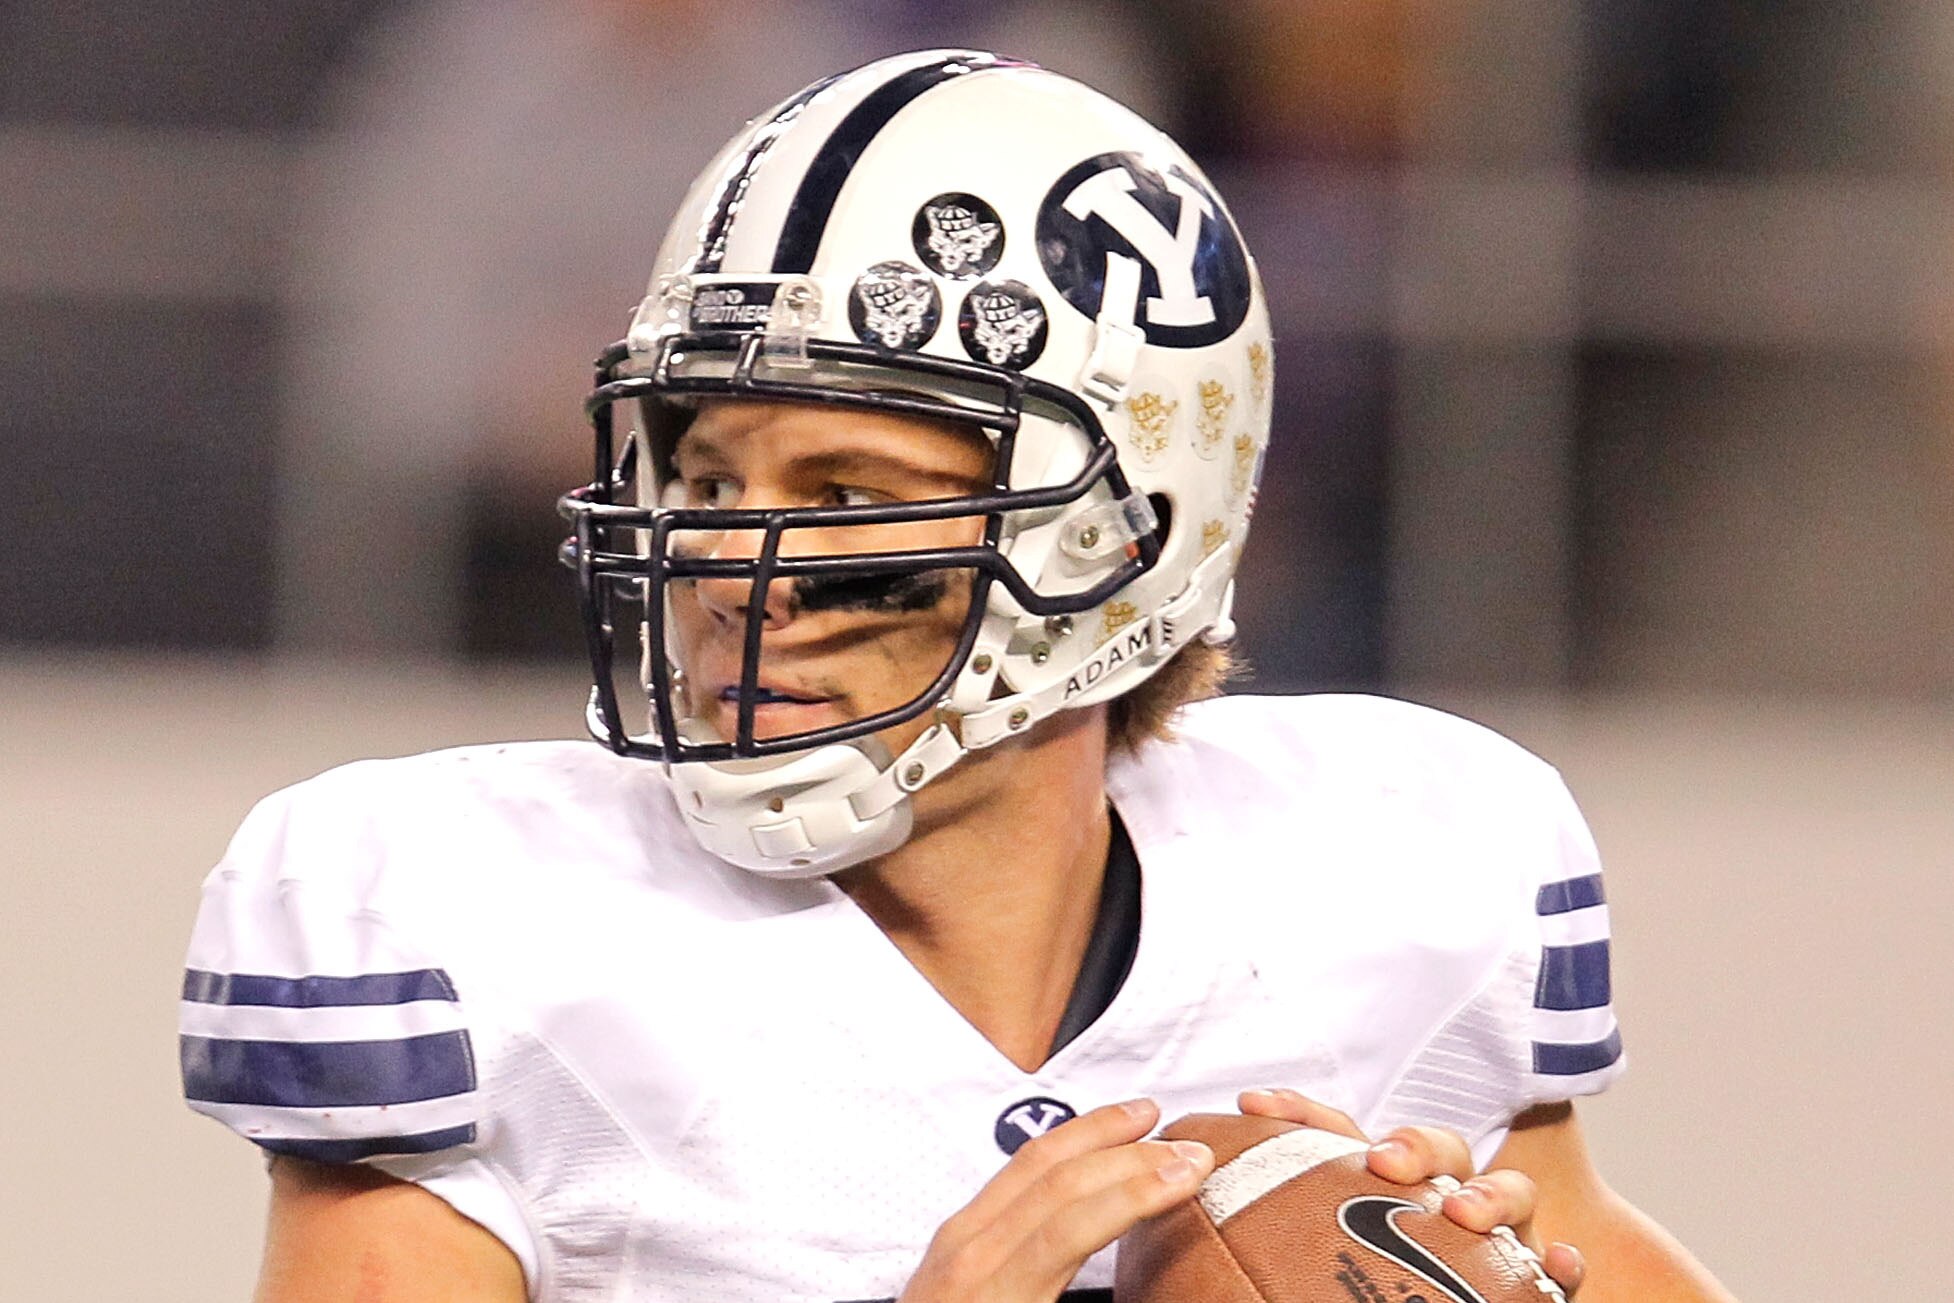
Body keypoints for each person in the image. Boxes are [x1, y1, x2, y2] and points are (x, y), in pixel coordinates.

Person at [179, 50, 1736, 1302]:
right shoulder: (471, 916)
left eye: (847, 495)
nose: (726, 566)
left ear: (1117, 536)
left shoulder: (1391, 872)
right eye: (707, 481)